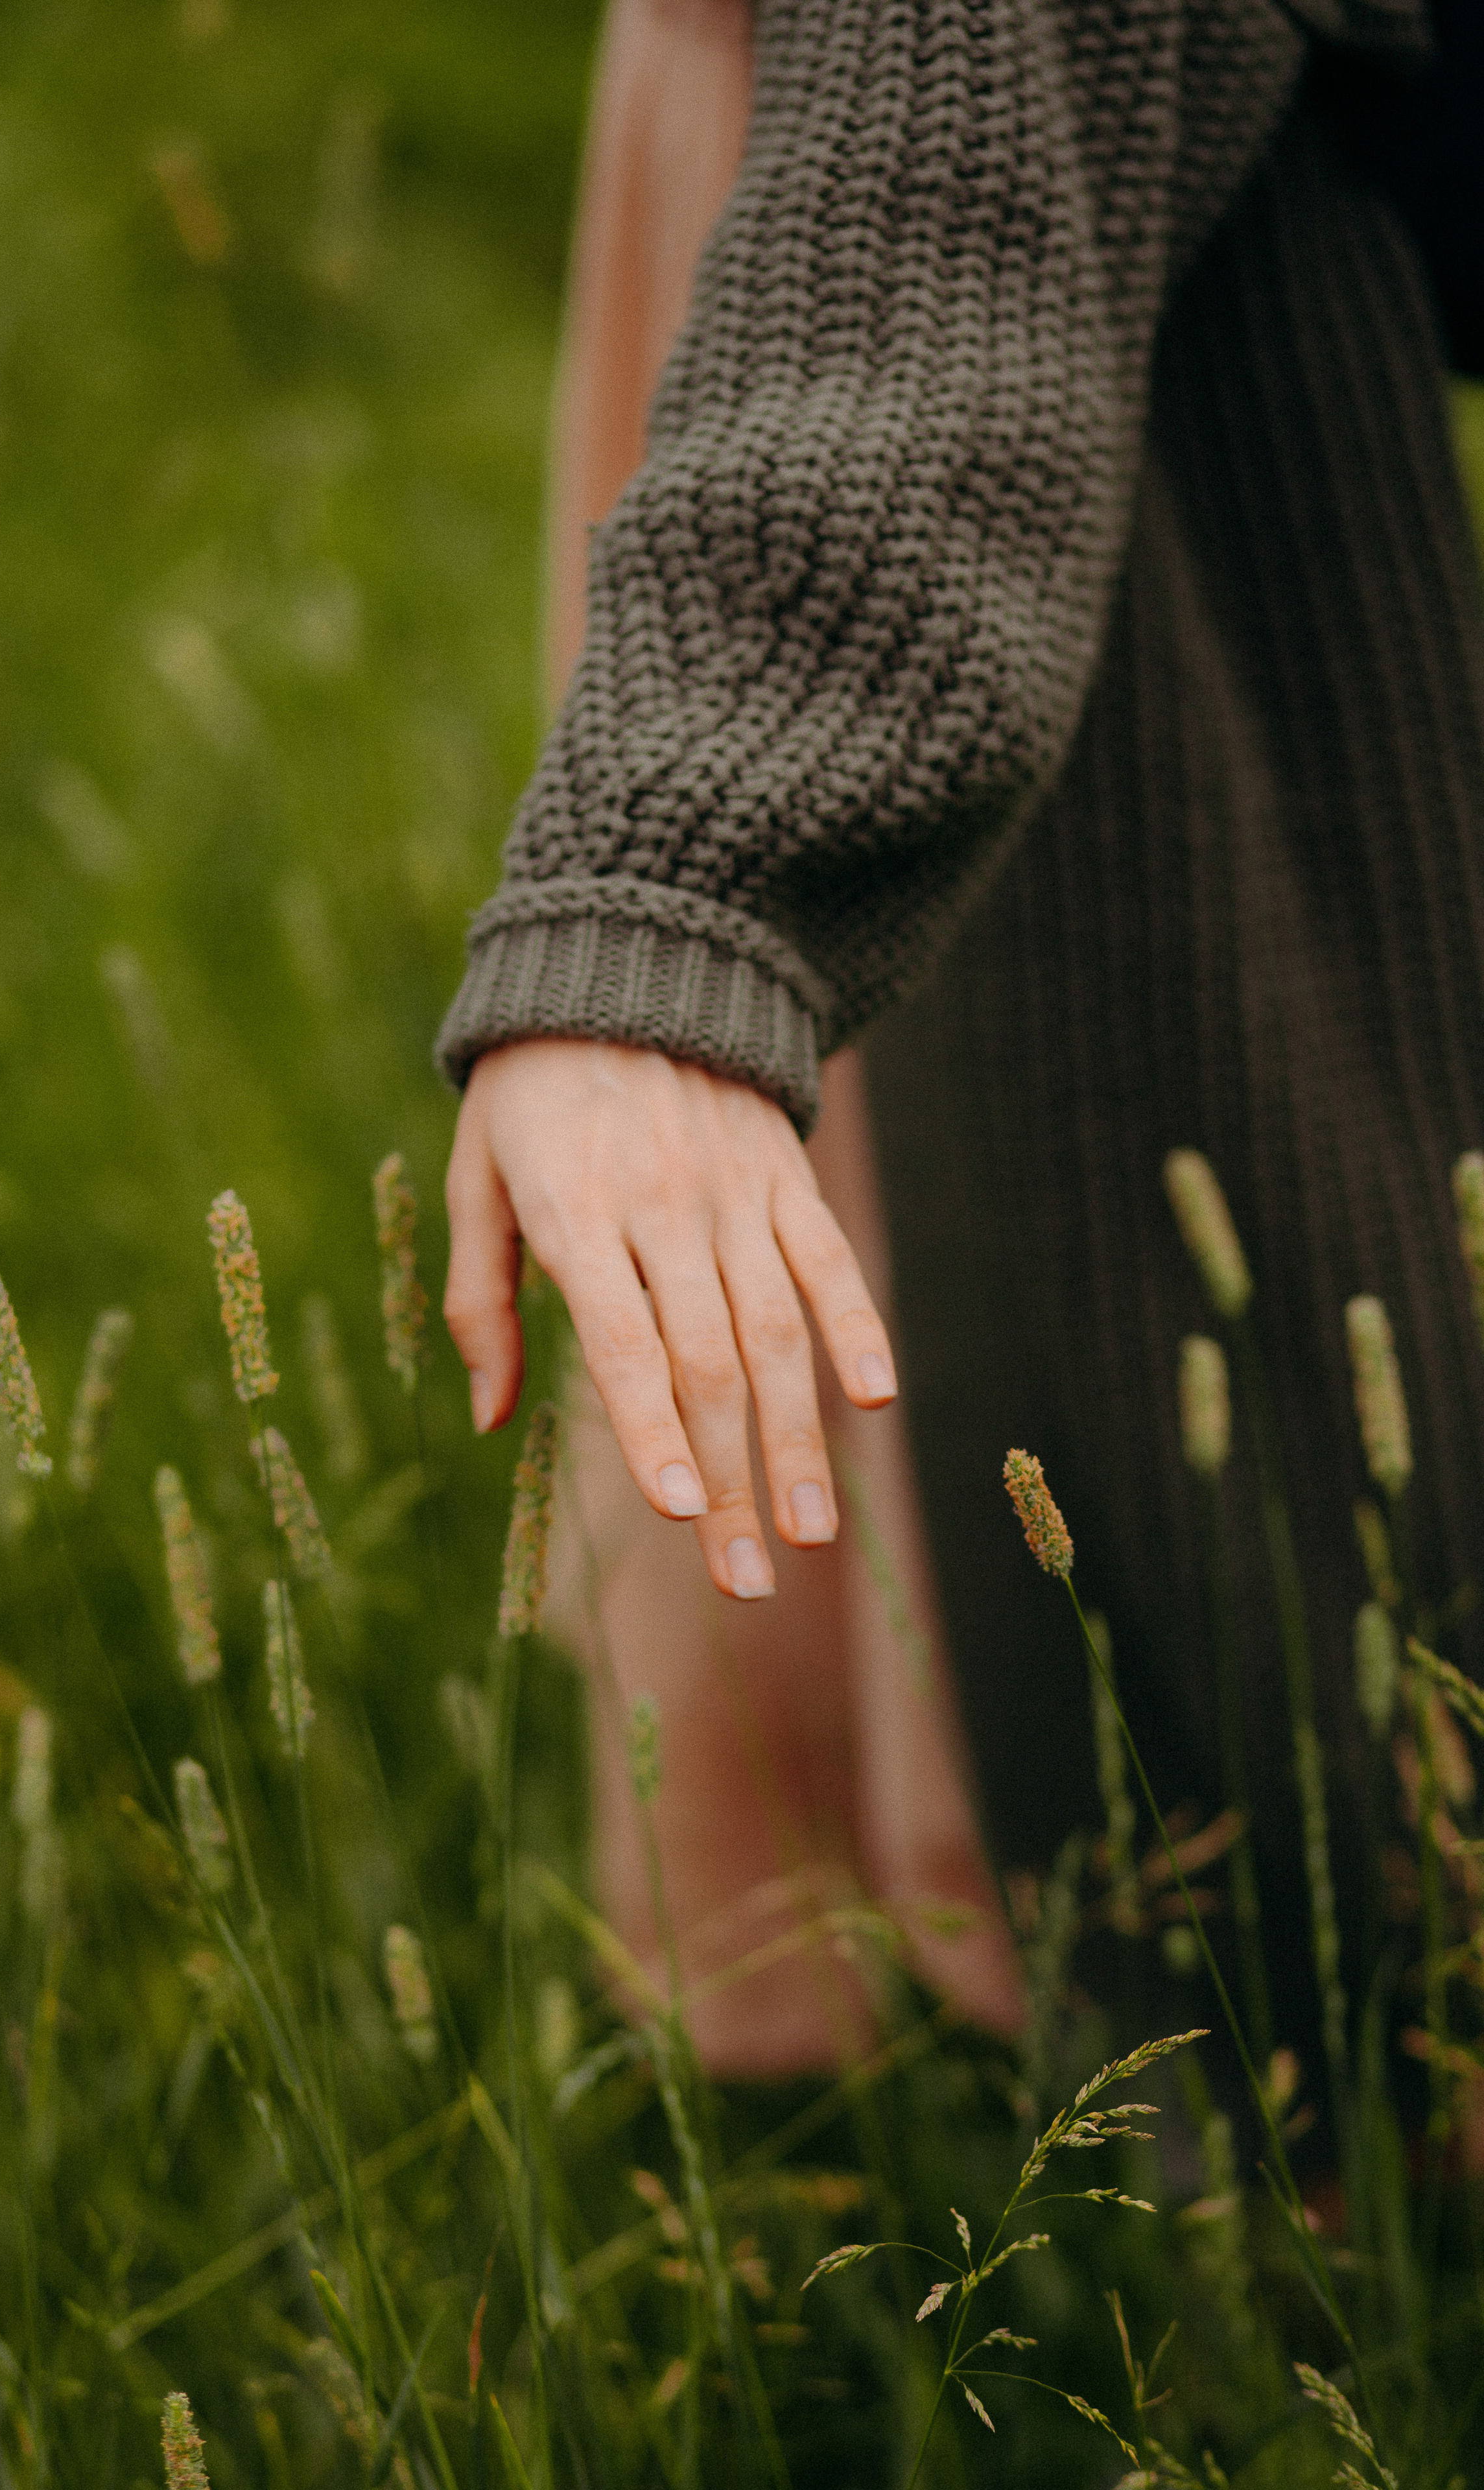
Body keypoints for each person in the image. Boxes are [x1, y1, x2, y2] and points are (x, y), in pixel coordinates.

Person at [437, 0, 1484, 2096]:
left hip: (998, 311)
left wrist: (689, 865)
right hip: (792, 244)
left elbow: (947, 174)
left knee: (1171, 1256)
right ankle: (972, 1969)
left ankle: (1307, 2110)